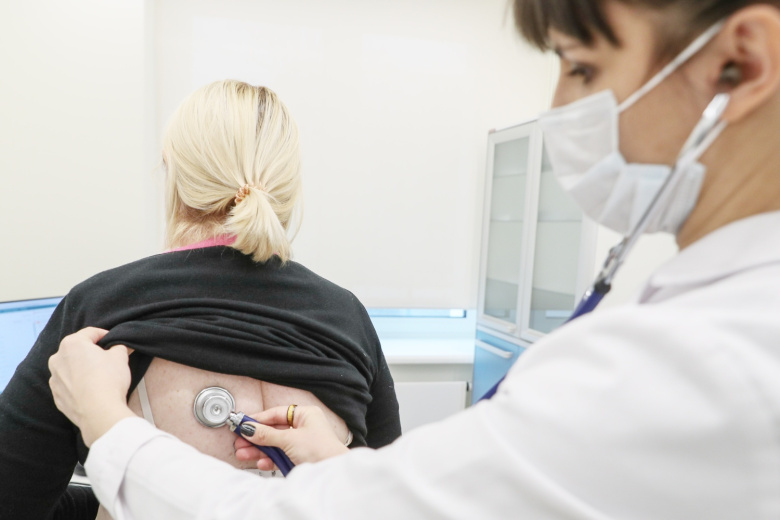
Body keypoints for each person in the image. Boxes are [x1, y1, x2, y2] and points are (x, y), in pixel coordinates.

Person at [49, 0, 780, 518]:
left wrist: (110, 426)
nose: (558, 105)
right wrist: (344, 466)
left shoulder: (696, 364)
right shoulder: (718, 323)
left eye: (581, 67)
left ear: (740, 64)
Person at [0, 80, 401, 520]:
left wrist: (114, 497)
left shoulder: (98, 309)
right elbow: (390, 500)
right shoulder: (349, 318)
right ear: (289, 185)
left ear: (174, 175)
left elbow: (12, 501)